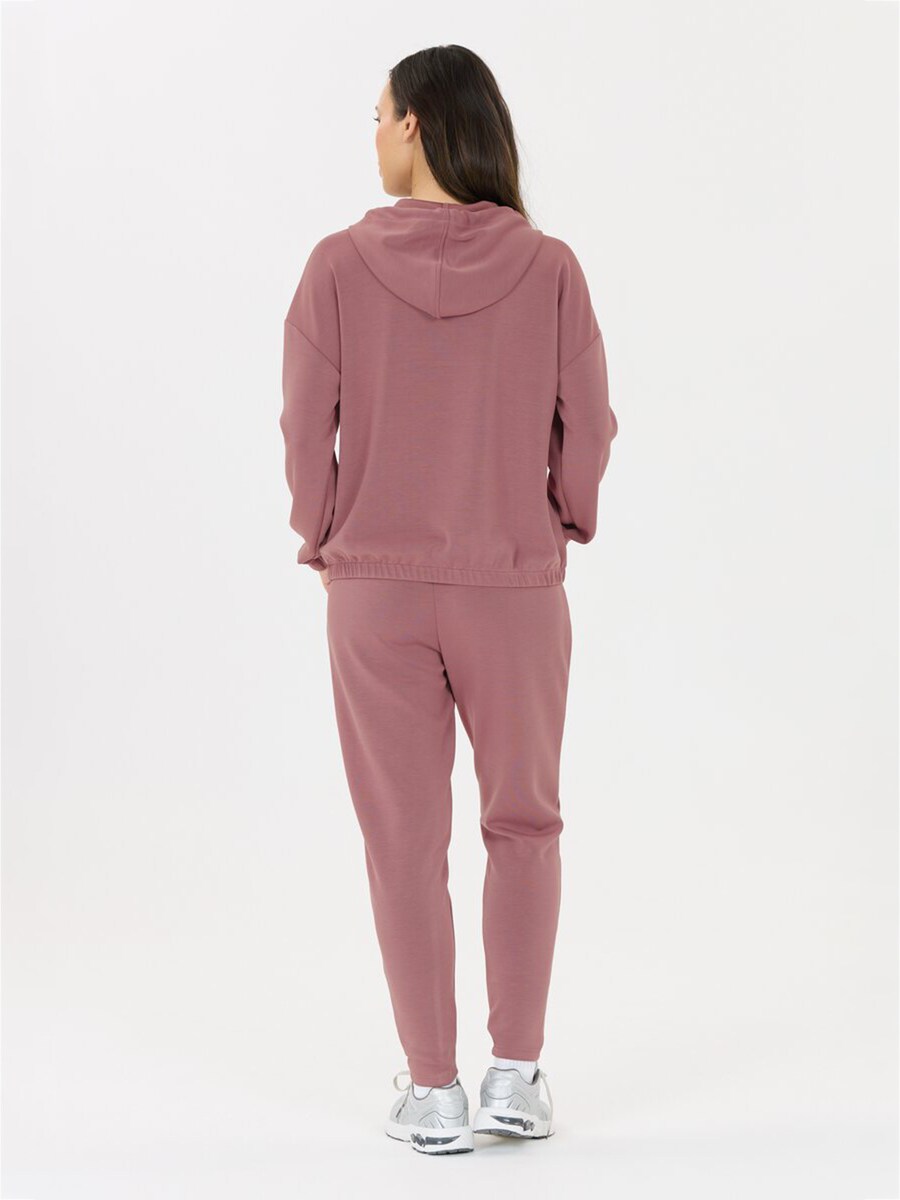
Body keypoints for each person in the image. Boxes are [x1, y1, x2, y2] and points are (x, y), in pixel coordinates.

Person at [279, 44, 618, 1155]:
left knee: (402, 842)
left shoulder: (335, 267)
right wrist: (560, 516)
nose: (374, 134)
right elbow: (591, 423)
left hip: (373, 593)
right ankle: (515, 1075)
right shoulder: (550, 268)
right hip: (512, 586)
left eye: (380, 115)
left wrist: (322, 532)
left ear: (418, 123)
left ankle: (434, 1092)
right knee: (525, 822)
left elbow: (303, 425)